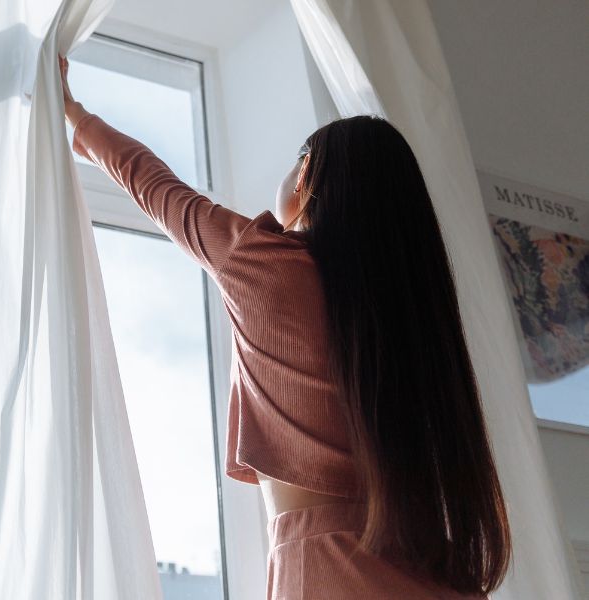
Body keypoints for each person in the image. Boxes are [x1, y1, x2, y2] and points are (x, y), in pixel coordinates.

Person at [58, 54, 511, 599]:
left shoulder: (265, 264)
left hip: (323, 569)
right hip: (431, 569)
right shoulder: (413, 316)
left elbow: (157, 187)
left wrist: (75, 115)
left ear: (305, 174)